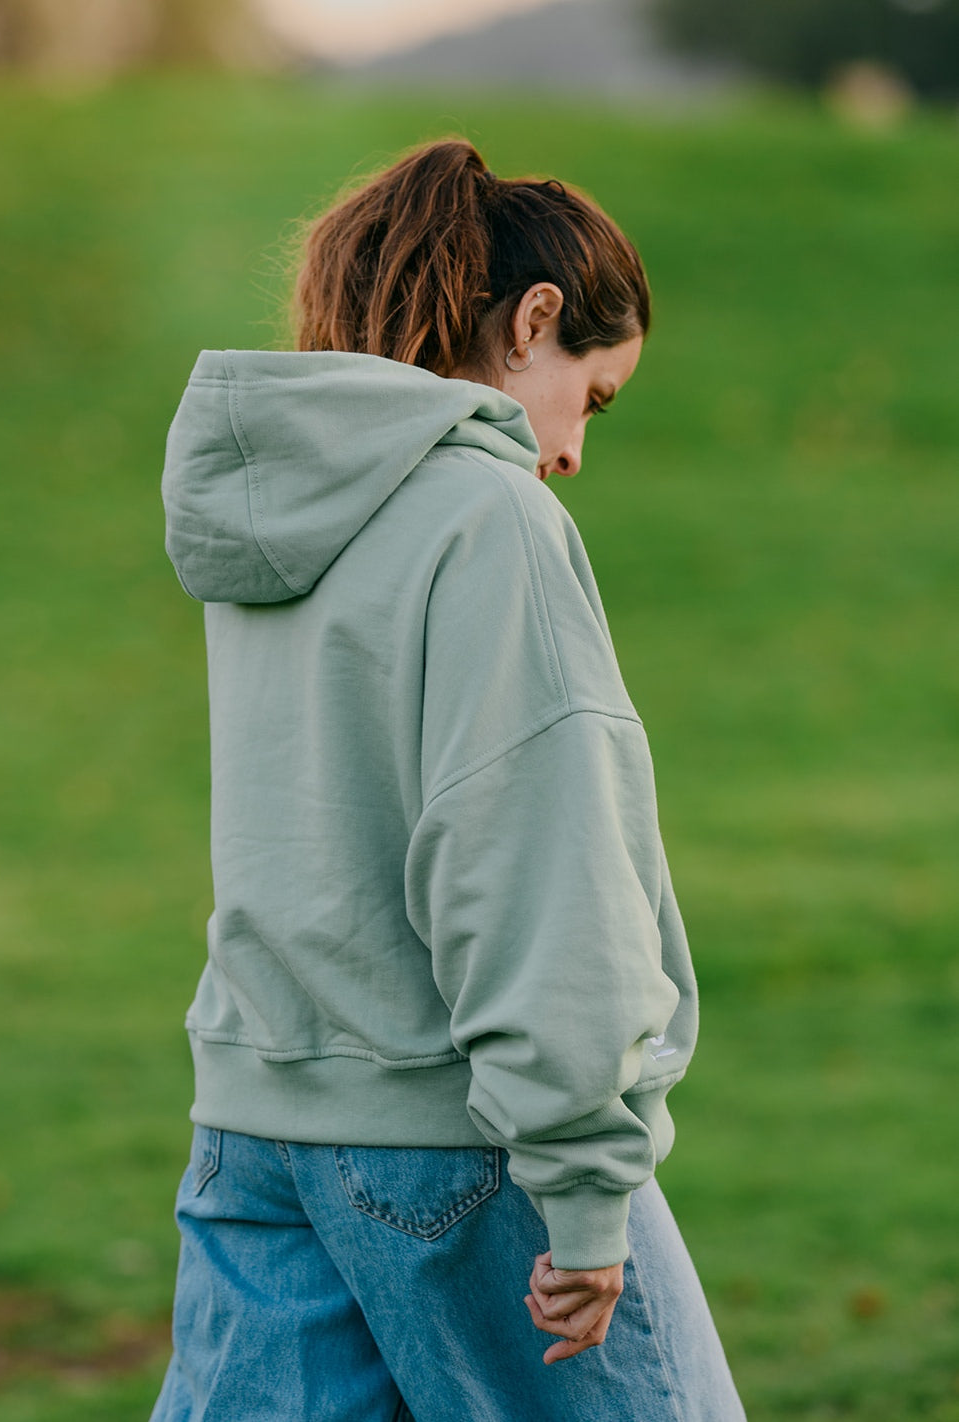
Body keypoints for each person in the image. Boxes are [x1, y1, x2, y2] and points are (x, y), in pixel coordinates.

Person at [151, 138, 745, 1422]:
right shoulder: (488, 516)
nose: (575, 451)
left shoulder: (273, 513)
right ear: (534, 321)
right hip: (452, 1148)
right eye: (591, 396)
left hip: (254, 1138)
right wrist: (585, 1184)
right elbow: (531, 858)